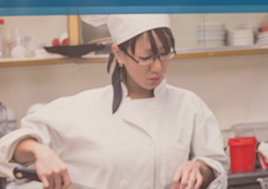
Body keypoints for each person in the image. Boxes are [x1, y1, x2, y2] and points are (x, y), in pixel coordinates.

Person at [0, 14, 229, 189]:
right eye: (146, 56)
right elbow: (6, 150)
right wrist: (39, 151)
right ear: (118, 54)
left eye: (165, 53)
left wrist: (199, 167)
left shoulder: (189, 106)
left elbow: (216, 164)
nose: (158, 66)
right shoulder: (83, 108)